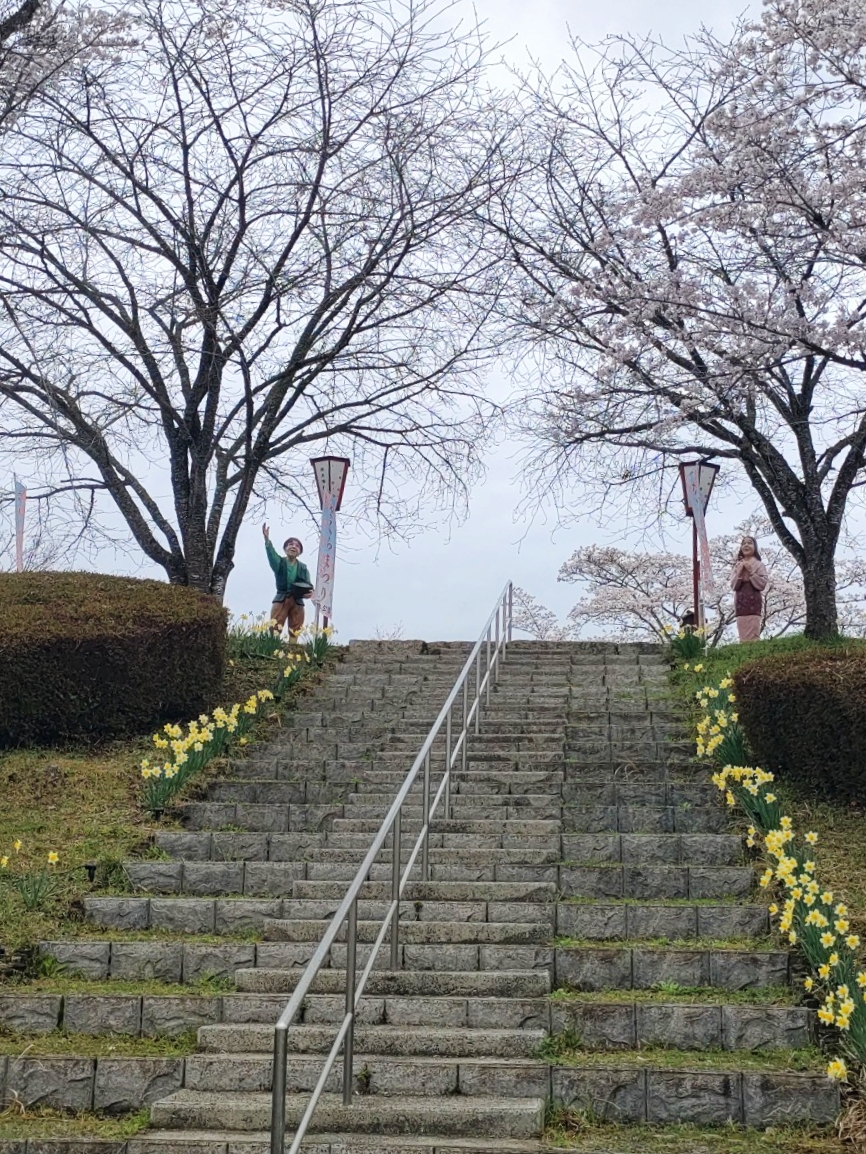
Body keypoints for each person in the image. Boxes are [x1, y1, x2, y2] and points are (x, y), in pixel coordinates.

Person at [263, 524, 313, 637]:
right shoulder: (280, 563)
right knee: (276, 623)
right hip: (282, 598)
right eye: (290, 544)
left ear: (300, 552)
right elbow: (272, 556)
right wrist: (267, 541)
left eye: (297, 546)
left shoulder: (303, 567)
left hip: (297, 600)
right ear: (285, 549)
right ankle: (273, 646)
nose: (293, 547)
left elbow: (308, 585)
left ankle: (293, 648)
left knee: (296, 625)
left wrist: (308, 593)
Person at [730, 535, 769, 642]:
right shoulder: (737, 565)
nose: (746, 545)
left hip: (753, 600)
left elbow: (762, 584)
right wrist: (739, 573)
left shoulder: (759, 565)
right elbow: (733, 585)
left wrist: (751, 572)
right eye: (744, 543)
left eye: (749, 543)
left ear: (755, 547)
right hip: (740, 601)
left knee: (753, 629)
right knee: (742, 630)